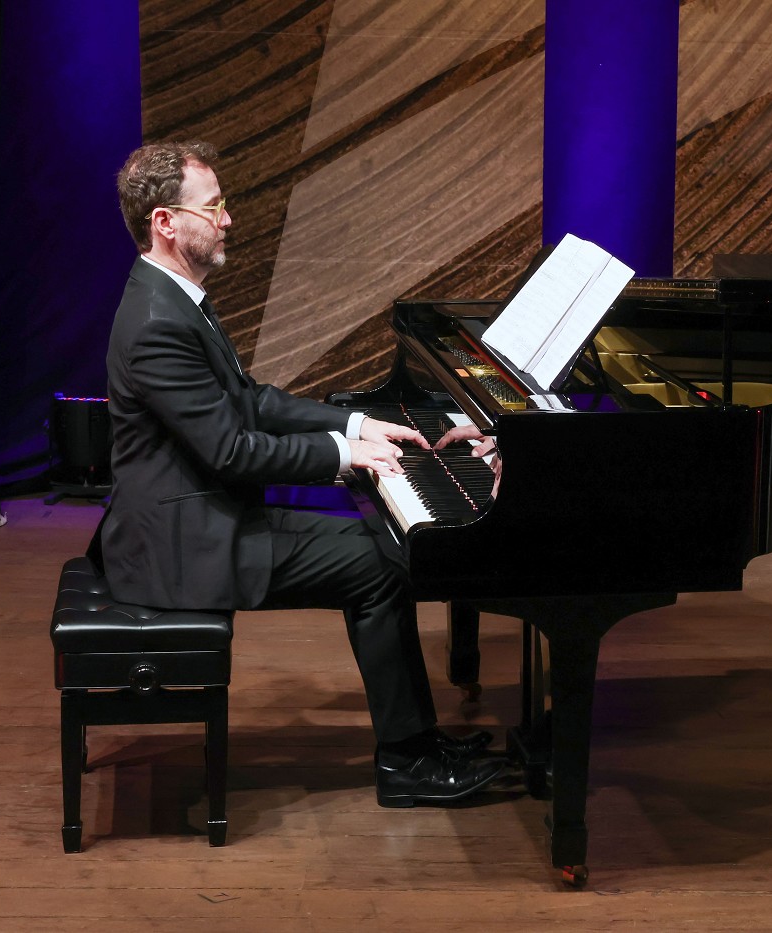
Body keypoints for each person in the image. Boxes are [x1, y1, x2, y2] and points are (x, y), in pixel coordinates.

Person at [98, 140, 506, 808]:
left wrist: (356, 425)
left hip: (201, 513)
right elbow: (232, 451)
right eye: (213, 207)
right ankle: (407, 761)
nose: (227, 219)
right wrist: (343, 458)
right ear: (164, 222)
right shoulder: (155, 322)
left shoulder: (172, 297)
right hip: (182, 544)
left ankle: (418, 743)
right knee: (378, 568)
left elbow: (251, 399)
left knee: (380, 550)